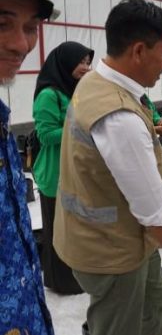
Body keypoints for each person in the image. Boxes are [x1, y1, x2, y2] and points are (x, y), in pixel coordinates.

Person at [53, 0, 162, 335]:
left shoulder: (95, 82)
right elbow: (153, 210)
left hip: (105, 237)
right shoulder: (119, 116)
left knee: (152, 308)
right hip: (111, 252)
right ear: (139, 51)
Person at [0, 0, 55, 335]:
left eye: (30, 27)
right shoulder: (51, 95)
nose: (21, 44)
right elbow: (49, 131)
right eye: (1, 22)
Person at [32, 41, 93, 295]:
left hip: (73, 169)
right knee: (57, 230)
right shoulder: (49, 94)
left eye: (88, 62)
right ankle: (60, 282)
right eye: (81, 62)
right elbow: (45, 135)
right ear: (65, 63)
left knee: (73, 229)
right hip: (54, 172)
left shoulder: (74, 90)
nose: (86, 67)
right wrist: (81, 130)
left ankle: (75, 276)